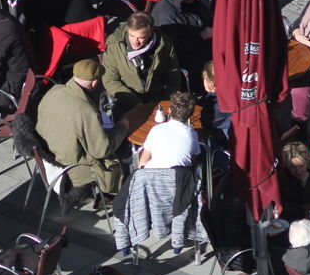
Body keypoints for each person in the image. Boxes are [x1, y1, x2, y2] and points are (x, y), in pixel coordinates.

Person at [36, 59, 131, 206]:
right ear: (94, 82)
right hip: (72, 169)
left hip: (48, 157)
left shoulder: (54, 91)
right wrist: (122, 127)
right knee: (126, 156)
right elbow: (102, 150)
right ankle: (118, 197)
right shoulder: (86, 111)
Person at [102, 12, 184, 117]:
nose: (135, 41)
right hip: (127, 99)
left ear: (150, 33)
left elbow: (173, 76)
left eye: (141, 37)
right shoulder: (114, 45)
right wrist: (135, 103)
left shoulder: (164, 44)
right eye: (131, 35)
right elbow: (109, 79)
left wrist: (166, 100)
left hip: (156, 99)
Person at [150, 0, 211, 74]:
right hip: (186, 59)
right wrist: (202, 35)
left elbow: (203, 12)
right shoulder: (165, 16)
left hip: (199, 41)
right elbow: (176, 49)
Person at [137, 91, 199, 169]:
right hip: (181, 178)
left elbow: (143, 161)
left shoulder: (156, 130)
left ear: (169, 110)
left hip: (153, 176)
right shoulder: (192, 134)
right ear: (190, 114)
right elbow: (193, 160)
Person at [275, 139, 310, 221]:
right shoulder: (282, 177)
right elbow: (283, 205)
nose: (298, 171)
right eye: (293, 167)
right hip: (290, 217)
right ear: (286, 165)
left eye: (301, 166)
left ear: (307, 162)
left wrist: (305, 183)